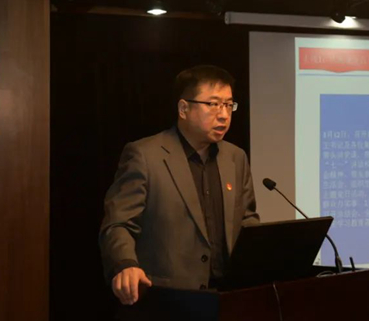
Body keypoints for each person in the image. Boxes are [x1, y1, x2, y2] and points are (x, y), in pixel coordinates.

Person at [99, 65, 260, 305]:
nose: (224, 115)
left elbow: (247, 221)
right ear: (184, 108)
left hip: (229, 299)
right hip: (167, 299)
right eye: (213, 104)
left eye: (229, 105)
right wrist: (125, 264)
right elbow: (118, 223)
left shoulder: (236, 158)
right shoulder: (145, 156)